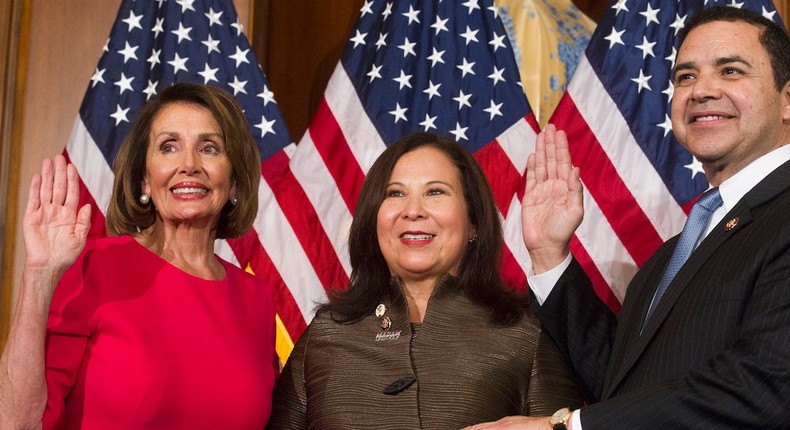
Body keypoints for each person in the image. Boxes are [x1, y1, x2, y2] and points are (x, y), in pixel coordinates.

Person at [466, 6, 790, 430]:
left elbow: (766, 388)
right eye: (685, 76)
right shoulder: (674, 253)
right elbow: (626, 385)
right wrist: (550, 256)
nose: (701, 90)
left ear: (787, 100)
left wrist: (564, 426)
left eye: (730, 71)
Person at [0, 83, 278, 429]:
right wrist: (39, 274)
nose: (189, 164)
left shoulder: (257, 300)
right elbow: (17, 422)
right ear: (145, 180)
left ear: (234, 181)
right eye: (168, 147)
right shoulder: (94, 267)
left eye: (209, 148)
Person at [267, 132, 583, 429]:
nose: (413, 211)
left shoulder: (525, 336)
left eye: (435, 192)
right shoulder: (325, 333)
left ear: (473, 222)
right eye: (395, 193)